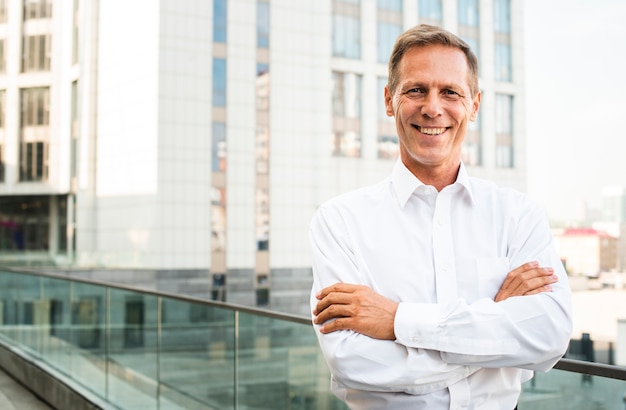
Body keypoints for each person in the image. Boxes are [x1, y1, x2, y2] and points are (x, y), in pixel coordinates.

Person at [309, 24, 572, 409]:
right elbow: (351, 362)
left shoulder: (519, 215)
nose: (433, 108)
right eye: (416, 90)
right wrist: (495, 336)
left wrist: (398, 321)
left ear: (475, 105)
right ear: (388, 100)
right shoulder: (339, 222)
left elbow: (549, 335)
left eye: (450, 92)